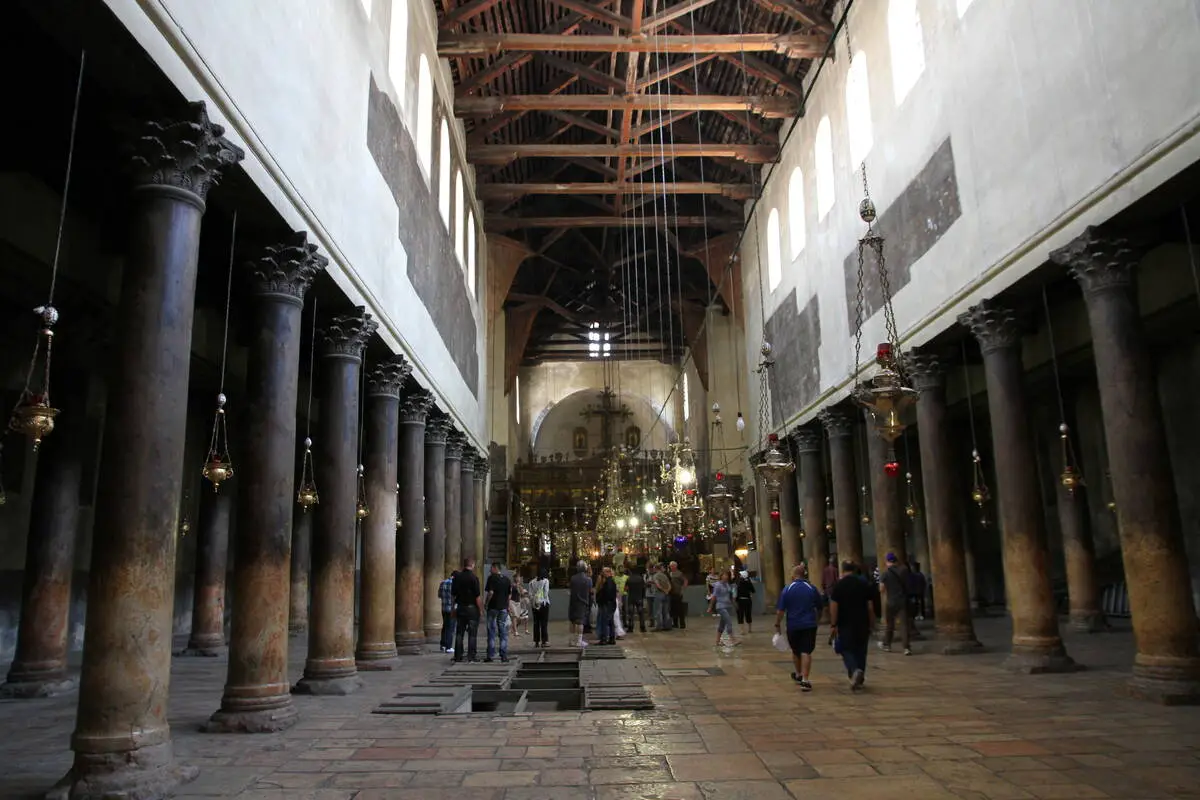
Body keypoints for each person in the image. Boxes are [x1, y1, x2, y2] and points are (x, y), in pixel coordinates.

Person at [775, 563, 823, 692]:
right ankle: (805, 680)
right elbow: (820, 606)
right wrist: (817, 620)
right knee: (806, 651)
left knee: (796, 651)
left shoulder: (787, 589)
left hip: (793, 625)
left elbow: (780, 610)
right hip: (809, 624)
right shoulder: (811, 588)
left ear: (793, 575)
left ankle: (799, 673)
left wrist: (777, 623)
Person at [829, 560, 876, 691]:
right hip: (862, 622)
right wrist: (872, 623)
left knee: (846, 649)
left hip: (845, 622)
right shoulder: (863, 584)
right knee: (861, 650)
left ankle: (854, 670)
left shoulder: (839, 586)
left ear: (843, 570)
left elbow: (834, 606)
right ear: (855, 570)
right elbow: (870, 607)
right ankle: (860, 676)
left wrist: (833, 623)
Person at [879, 553, 913, 655]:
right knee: (904, 625)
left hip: (891, 601)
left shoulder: (885, 573)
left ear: (887, 562)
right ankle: (906, 647)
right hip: (902, 600)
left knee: (890, 624)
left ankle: (887, 644)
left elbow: (881, 589)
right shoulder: (903, 571)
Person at [450, 558, 483, 663]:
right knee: (472, 634)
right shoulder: (474, 578)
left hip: (460, 607)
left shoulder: (457, 577)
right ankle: (471, 656)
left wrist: (453, 608)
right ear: (472, 565)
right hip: (472, 608)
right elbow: (477, 596)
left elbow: (453, 595)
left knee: (459, 633)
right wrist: (480, 609)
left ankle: (458, 656)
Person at [484, 563, 512, 663]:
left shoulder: (492, 578)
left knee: (491, 631)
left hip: (493, 608)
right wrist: (507, 606)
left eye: (491, 568)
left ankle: (490, 655)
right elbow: (509, 595)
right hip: (503, 608)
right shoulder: (507, 579)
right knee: (503, 631)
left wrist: (486, 603)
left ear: (495, 568)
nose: (490, 570)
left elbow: (490, 592)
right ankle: (503, 655)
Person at [709, 569, 740, 647]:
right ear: (721, 576)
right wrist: (710, 607)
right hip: (720, 606)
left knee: (722, 624)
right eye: (724, 575)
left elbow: (731, 595)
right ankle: (732, 639)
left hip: (728, 606)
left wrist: (734, 603)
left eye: (727, 575)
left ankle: (717, 641)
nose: (726, 577)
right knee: (728, 621)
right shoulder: (717, 585)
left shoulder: (728, 584)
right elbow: (714, 596)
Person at [568, 561, 593, 648]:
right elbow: (590, 592)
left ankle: (571, 641)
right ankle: (579, 641)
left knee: (572, 621)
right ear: (585, 568)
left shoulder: (573, 578)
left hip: (573, 602)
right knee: (580, 622)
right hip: (582, 603)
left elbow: (570, 589)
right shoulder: (588, 580)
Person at [595, 566, 618, 645]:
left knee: (604, 622)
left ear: (608, 572)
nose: (602, 573)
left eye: (604, 572)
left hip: (606, 604)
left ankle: (604, 639)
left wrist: (600, 599)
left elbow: (606, 594)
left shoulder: (608, 582)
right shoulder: (612, 581)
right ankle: (612, 638)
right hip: (611, 604)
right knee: (610, 622)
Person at [529, 568, 551, 647]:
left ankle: (536, 641)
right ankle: (544, 641)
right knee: (544, 623)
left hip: (535, 605)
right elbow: (546, 593)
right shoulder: (545, 581)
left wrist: (535, 600)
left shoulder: (531, 582)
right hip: (544, 604)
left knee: (536, 623)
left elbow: (530, 595)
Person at [438, 570, 458, 654]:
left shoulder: (443, 582)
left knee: (445, 626)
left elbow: (439, 595)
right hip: (452, 609)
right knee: (451, 628)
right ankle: (449, 647)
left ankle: (443, 645)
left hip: (444, 608)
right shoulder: (455, 584)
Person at [625, 564, 647, 633]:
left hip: (631, 597)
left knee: (631, 613)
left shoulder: (629, 578)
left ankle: (630, 628)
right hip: (639, 597)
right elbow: (644, 588)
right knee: (641, 613)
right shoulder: (641, 578)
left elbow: (626, 588)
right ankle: (642, 627)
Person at [735, 570, 756, 635]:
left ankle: (742, 630)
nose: (740, 576)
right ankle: (750, 629)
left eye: (740, 575)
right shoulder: (749, 582)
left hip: (741, 601)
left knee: (740, 615)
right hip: (748, 600)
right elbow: (753, 591)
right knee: (748, 614)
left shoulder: (739, 583)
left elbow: (737, 593)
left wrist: (736, 601)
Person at [653, 564, 673, 630]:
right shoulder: (664, 575)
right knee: (666, 611)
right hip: (666, 594)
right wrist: (667, 591)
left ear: (656, 569)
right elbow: (669, 585)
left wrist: (663, 590)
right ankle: (667, 626)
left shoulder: (655, 576)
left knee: (658, 611)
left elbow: (657, 585)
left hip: (659, 594)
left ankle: (659, 626)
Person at [668, 561, 688, 630]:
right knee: (673, 609)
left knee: (680, 609)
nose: (671, 567)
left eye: (672, 566)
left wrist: (682, 590)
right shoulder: (669, 573)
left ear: (675, 566)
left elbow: (685, 581)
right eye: (670, 566)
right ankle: (675, 623)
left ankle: (682, 624)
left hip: (678, 593)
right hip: (671, 593)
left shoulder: (679, 573)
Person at [612, 566, 628, 639]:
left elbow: (627, 586)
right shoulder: (614, 578)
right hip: (615, 598)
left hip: (623, 595)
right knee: (616, 616)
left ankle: (624, 624)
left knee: (623, 611)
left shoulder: (627, 577)